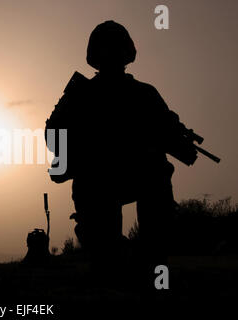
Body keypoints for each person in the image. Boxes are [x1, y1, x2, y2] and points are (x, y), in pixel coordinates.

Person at [46, 21, 188, 268]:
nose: (111, 55)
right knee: (106, 259)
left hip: (134, 176)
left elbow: (171, 132)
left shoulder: (144, 94)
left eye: (114, 49)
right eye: (107, 49)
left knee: (157, 172)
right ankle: (114, 253)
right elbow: (53, 134)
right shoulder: (82, 94)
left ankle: (147, 257)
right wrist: (81, 153)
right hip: (97, 182)